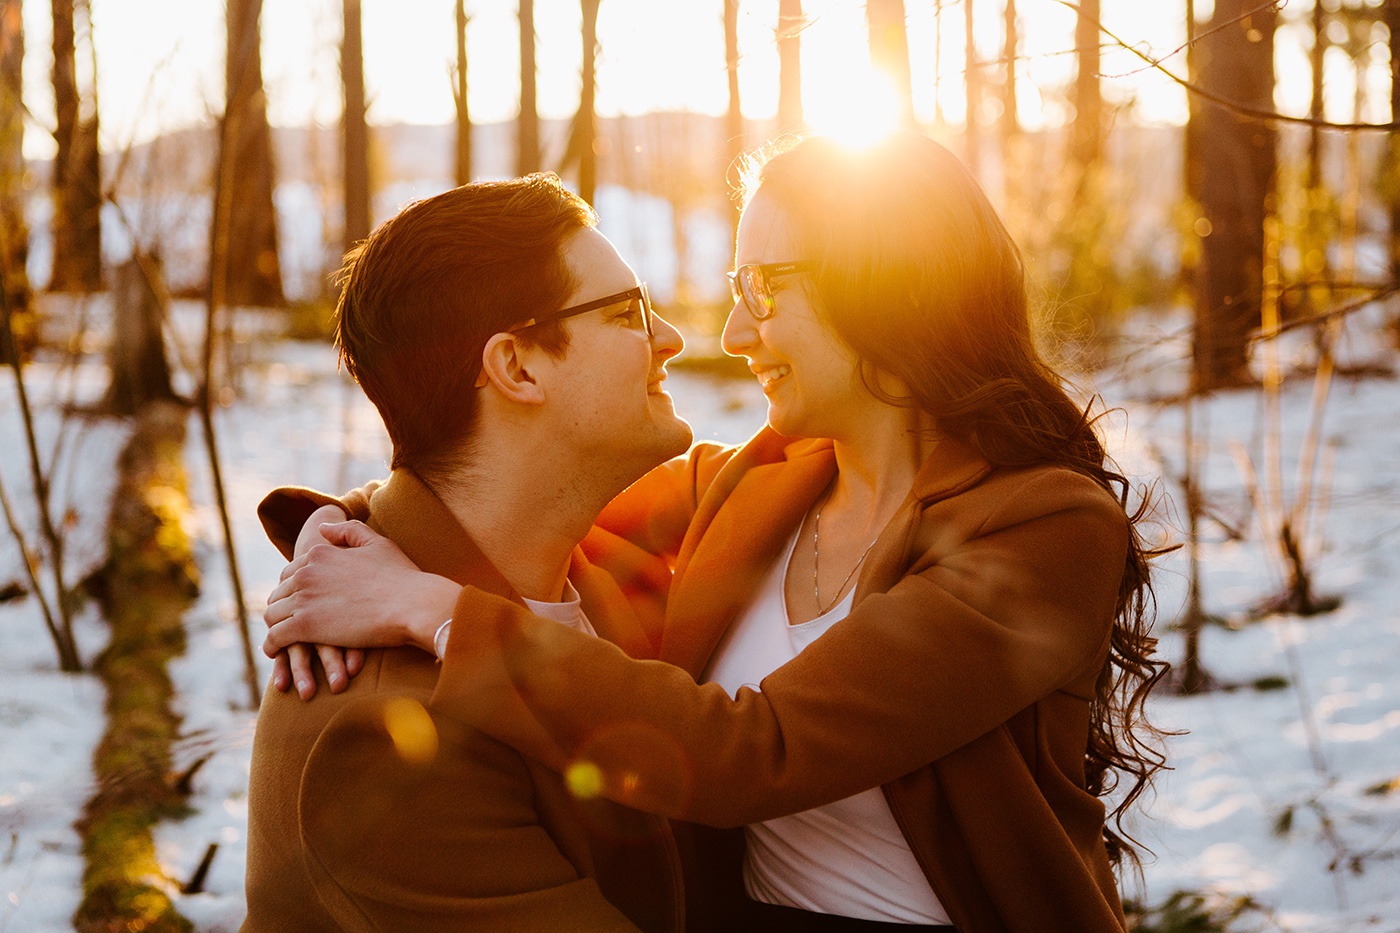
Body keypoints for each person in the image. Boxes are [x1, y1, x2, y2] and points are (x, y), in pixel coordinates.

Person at [264, 132, 1167, 933]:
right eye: (736, 290)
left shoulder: (1042, 528)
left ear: (886, 284)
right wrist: (340, 532)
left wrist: (432, 608)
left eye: (764, 288)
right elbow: (498, 499)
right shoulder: (753, 486)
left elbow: (755, 749)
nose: (728, 333)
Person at [242, 174, 696, 932]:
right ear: (516, 367)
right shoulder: (386, 743)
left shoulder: (583, 560)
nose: (671, 338)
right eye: (628, 313)